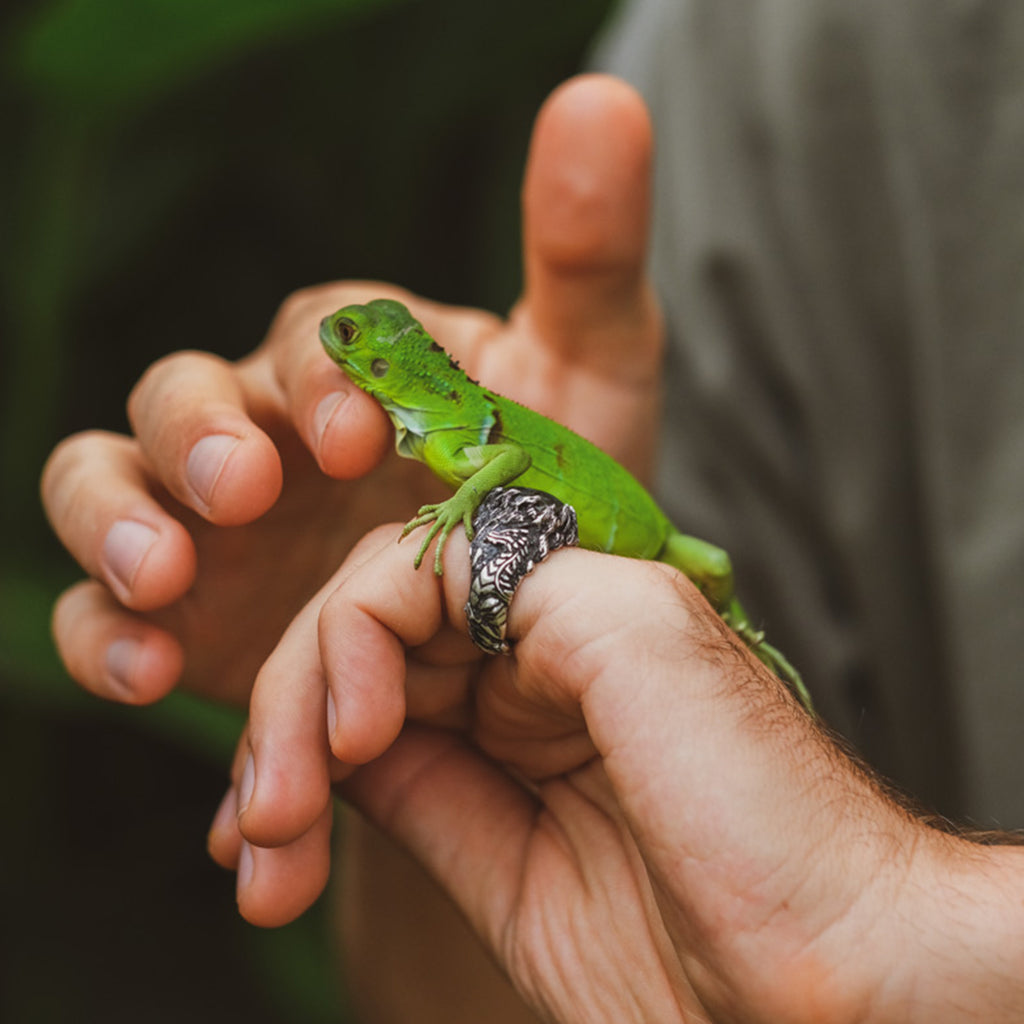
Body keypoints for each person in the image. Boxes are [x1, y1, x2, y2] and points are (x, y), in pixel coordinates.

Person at [41, 3, 1024, 1020]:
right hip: (567, 662)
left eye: (363, 349)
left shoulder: (469, 440)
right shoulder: (746, 50)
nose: (348, 351)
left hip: (644, 537)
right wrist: (419, 705)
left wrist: (897, 929)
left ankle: (733, 623)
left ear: (389, 370)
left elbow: (507, 458)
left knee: (709, 565)